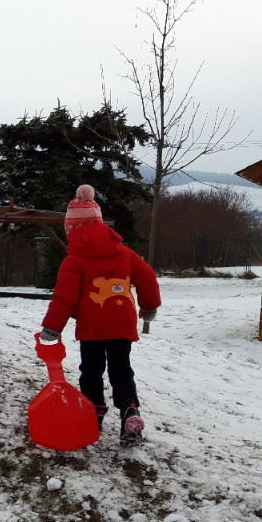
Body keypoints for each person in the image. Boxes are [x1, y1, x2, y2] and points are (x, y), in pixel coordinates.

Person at [39, 184, 161, 447]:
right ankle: (130, 410)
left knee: (91, 370)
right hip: (121, 323)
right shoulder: (124, 252)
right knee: (121, 369)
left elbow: (64, 298)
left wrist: (52, 328)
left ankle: (94, 410)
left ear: (71, 230)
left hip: (92, 328)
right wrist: (149, 307)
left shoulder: (74, 261)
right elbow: (147, 277)